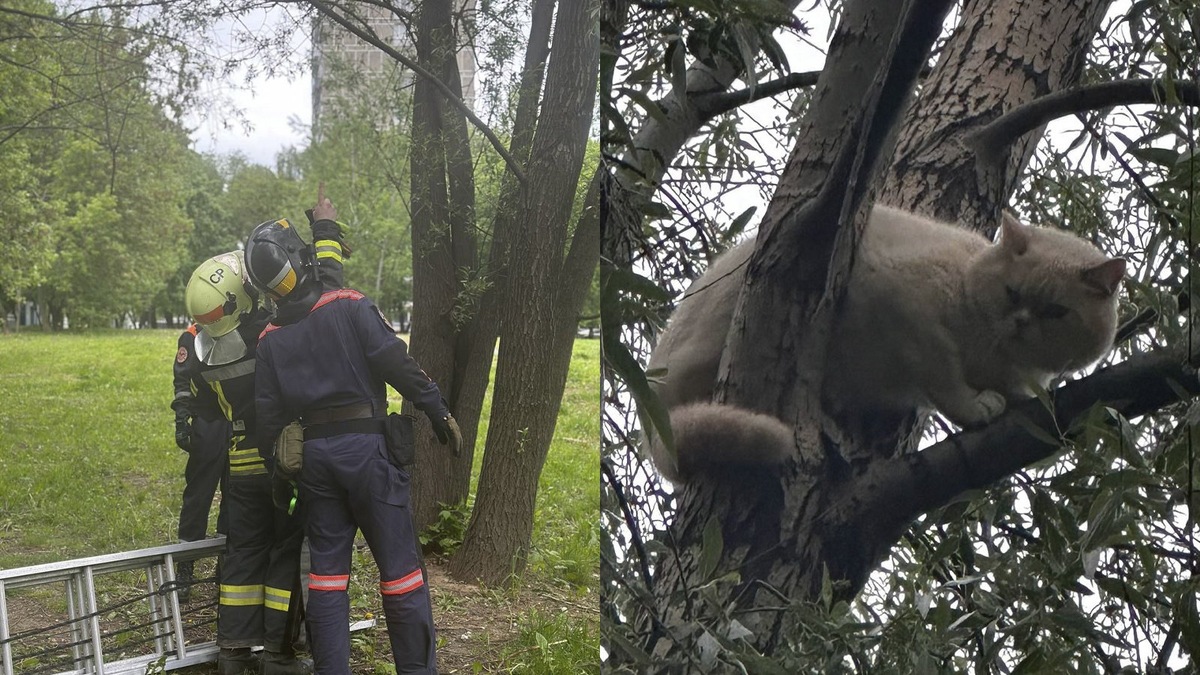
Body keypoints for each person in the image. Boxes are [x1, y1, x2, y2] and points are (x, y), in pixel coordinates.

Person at [246, 189, 461, 675]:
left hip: (315, 463)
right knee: (402, 575)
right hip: (369, 455)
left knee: (326, 579)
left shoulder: (269, 340)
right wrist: (437, 410)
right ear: (301, 260)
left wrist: (281, 472)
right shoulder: (349, 304)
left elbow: (267, 421)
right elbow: (397, 364)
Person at [184, 250, 309, 675]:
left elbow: (209, 410)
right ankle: (277, 654)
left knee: (242, 554)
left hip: (240, 469)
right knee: (285, 551)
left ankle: (233, 653)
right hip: (281, 464)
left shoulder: (205, 354)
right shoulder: (270, 334)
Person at [170, 323, 231, 602]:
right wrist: (182, 419)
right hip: (207, 423)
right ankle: (186, 567)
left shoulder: (240, 327)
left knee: (236, 496)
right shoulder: (192, 335)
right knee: (197, 497)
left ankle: (226, 565)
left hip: (239, 423)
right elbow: (182, 380)